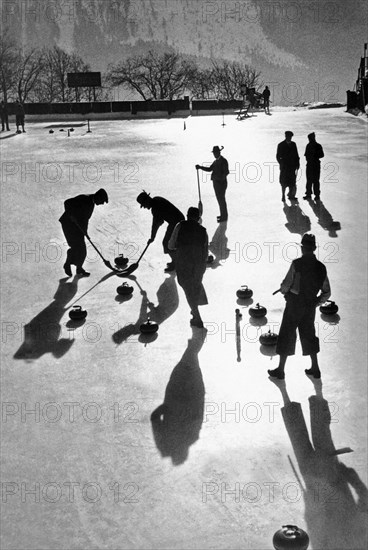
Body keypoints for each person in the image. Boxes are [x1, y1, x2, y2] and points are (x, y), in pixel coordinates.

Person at [268, 233, 331, 380]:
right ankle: (315, 368)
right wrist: (317, 303)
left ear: (303, 248)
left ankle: (281, 370)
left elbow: (286, 285)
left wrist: (284, 291)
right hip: (309, 306)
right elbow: (327, 292)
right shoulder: (321, 268)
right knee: (309, 335)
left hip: (294, 304)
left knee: (287, 334)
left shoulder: (297, 264)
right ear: (314, 248)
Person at [168, 207, 208, 328]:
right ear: (198, 218)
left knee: (187, 289)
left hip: (184, 262)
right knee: (195, 286)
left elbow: (170, 245)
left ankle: (197, 317)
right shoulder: (203, 231)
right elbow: (205, 252)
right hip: (199, 264)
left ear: (187, 215)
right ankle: (194, 308)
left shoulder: (180, 226)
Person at [59, 188, 108, 277]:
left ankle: (79, 269)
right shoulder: (84, 198)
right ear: (98, 197)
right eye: (102, 201)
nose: (101, 204)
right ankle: (68, 264)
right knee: (76, 247)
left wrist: (85, 232)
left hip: (78, 227)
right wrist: (71, 215)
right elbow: (67, 202)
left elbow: (85, 220)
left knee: (82, 250)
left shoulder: (91, 203)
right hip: (68, 225)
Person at [137, 191, 184, 272]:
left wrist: (152, 237)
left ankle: (176, 262)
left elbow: (156, 223)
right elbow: (159, 221)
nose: (144, 207)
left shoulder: (155, 208)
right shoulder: (157, 199)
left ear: (147, 200)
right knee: (171, 243)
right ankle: (176, 260)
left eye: (144, 205)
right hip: (177, 220)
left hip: (176, 223)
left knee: (167, 243)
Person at [196, 145, 229, 222]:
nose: (214, 154)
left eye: (215, 152)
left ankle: (224, 217)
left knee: (221, 200)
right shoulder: (215, 161)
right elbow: (210, 169)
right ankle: (222, 215)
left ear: (219, 152)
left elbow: (226, 172)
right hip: (216, 184)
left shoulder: (223, 161)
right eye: (214, 153)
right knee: (220, 200)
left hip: (221, 184)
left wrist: (220, 180)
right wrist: (200, 167)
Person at [276, 131, 300, 201]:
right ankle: (283, 195)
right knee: (283, 182)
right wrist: (281, 163)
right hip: (284, 167)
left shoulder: (293, 144)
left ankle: (290, 195)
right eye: (288, 136)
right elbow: (278, 156)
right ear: (285, 136)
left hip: (292, 166)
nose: (289, 138)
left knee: (292, 182)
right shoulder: (280, 145)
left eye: (290, 137)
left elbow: (296, 155)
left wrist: (297, 164)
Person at [303, 132, 324, 201]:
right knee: (311, 180)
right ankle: (312, 194)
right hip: (313, 165)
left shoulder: (316, 146)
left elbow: (321, 155)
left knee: (314, 180)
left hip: (313, 165)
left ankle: (315, 195)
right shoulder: (310, 145)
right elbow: (306, 156)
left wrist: (314, 156)